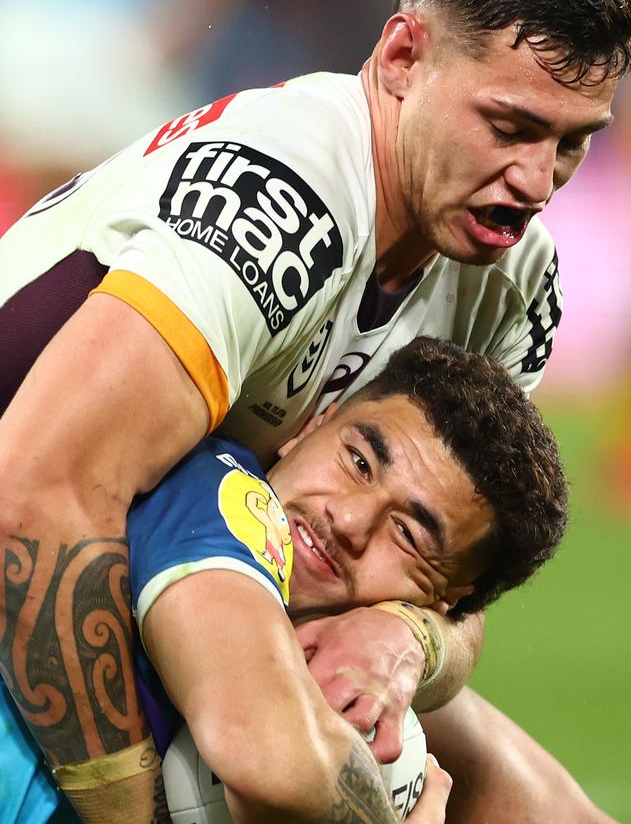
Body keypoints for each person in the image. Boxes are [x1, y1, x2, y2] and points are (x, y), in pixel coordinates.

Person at [0, 0, 631, 821]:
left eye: (570, 141)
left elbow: (461, 572)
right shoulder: (283, 197)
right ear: (403, 57)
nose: (535, 180)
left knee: (450, 738)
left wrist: (406, 639)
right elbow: (40, 488)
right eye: (507, 125)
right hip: (50, 532)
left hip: (181, 554)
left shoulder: (509, 282)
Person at [1, 338, 568, 822]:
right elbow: (264, 758)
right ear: (310, 428)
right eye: (358, 461)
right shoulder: (220, 495)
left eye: (408, 536)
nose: (346, 519)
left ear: (442, 600)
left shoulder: (361, 683)